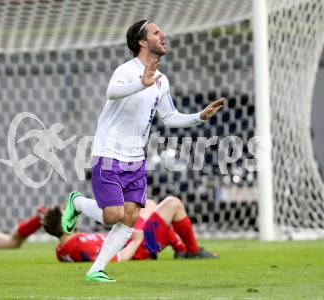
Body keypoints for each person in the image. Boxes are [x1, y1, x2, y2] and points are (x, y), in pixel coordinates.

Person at [61, 19, 224, 282]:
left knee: (131, 216)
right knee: (112, 215)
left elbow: (169, 117)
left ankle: (96, 270)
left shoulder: (162, 80)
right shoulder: (127, 70)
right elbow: (111, 93)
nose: (163, 35)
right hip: (110, 152)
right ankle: (77, 202)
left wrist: (199, 117)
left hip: (136, 159)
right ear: (141, 41)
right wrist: (141, 83)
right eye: (156, 32)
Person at [47, 195, 218, 263]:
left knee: (147, 204)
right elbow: (117, 258)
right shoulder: (77, 245)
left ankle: (180, 249)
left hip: (127, 236)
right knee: (173, 203)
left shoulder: (63, 247)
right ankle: (191, 250)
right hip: (139, 245)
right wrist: (137, 240)